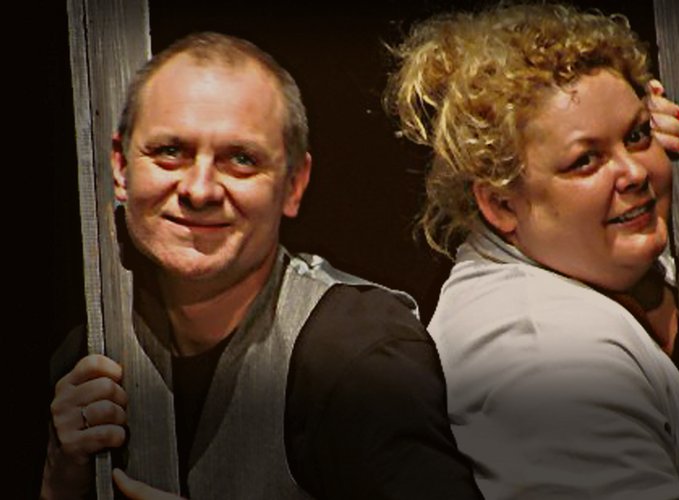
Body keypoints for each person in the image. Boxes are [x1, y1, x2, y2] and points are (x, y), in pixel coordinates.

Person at [384, 2, 679, 499]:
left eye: (637, 135)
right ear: (502, 203)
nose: (634, 172)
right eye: (585, 160)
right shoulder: (539, 355)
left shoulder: (605, 246)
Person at [42, 32, 484, 499]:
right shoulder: (92, 351)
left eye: (241, 159)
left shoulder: (359, 354)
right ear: (120, 168)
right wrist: (59, 480)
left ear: (293, 185)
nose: (199, 189)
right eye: (170, 152)